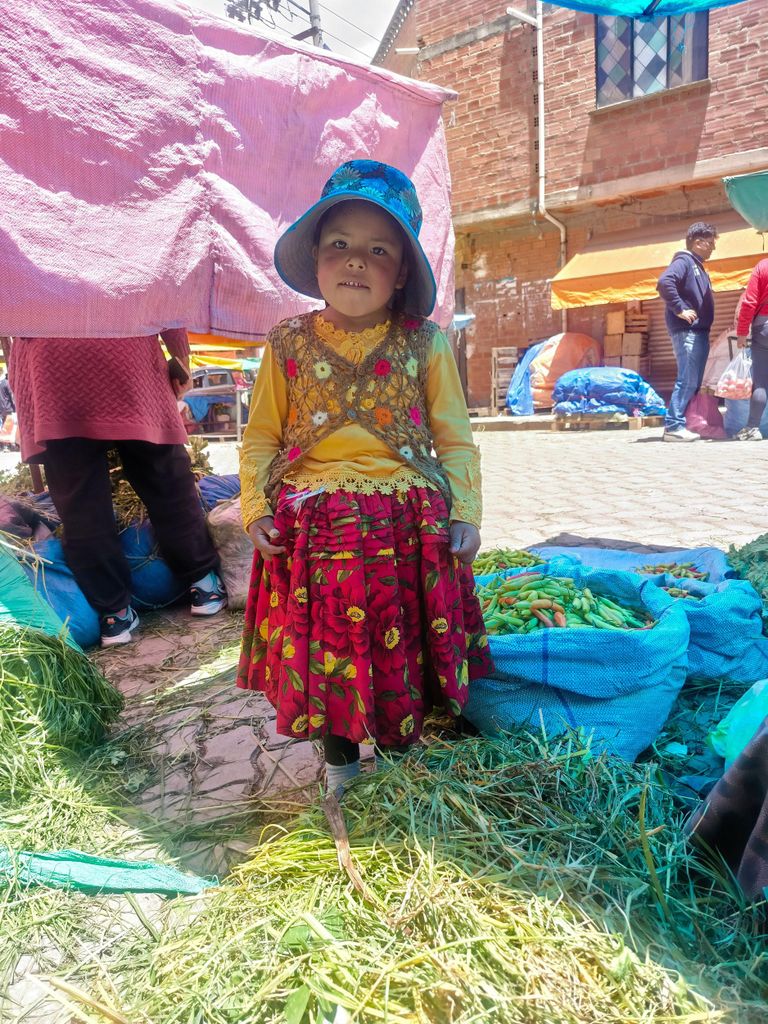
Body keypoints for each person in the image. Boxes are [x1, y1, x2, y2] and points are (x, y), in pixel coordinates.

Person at [236, 159, 493, 794]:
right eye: (340, 245)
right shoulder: (287, 343)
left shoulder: (424, 342)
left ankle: (406, 769)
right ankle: (341, 766)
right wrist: (255, 509)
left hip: (408, 525)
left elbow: (453, 436)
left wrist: (465, 512)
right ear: (316, 259)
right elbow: (263, 435)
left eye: (378, 249)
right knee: (329, 654)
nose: (356, 261)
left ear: (402, 270)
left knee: (404, 647)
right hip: (316, 528)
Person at [9, 328, 227, 646]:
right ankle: (203, 584)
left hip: (49, 364)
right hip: (128, 350)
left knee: (79, 500)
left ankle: (114, 615)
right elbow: (162, 283)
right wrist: (180, 354)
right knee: (166, 477)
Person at [656, 222, 718, 442]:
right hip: (688, 332)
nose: (713, 248)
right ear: (698, 242)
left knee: (693, 380)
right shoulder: (684, 261)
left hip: (698, 332)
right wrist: (680, 308)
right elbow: (664, 282)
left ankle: (685, 423)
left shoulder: (697, 265)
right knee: (687, 379)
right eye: (710, 243)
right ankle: (673, 426)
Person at [734, 258, 768, 440]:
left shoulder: (763, 266)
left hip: (764, 329)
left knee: (761, 382)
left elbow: (749, 302)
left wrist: (741, 332)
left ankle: (753, 428)